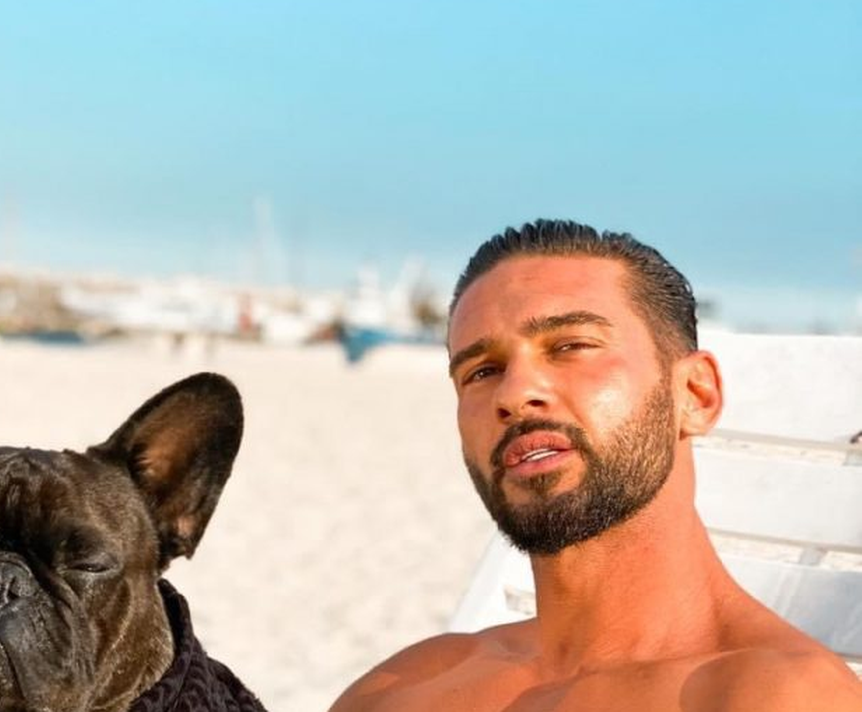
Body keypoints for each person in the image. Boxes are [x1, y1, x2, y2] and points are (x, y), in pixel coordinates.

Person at [330, 220, 862, 712]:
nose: (514, 393)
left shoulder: (774, 696)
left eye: (571, 345)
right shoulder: (407, 684)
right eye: (482, 371)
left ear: (695, 395)